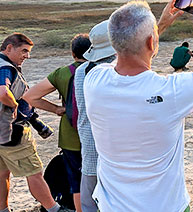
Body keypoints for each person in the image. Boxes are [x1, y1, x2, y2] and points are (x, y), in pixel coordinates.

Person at [84, 0, 193, 212]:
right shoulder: (172, 93)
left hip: (111, 206)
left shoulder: (95, 81)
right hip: (165, 206)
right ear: (151, 42)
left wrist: (159, 26)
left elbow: (130, 53)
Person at [0, 33, 73, 212]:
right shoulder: (5, 68)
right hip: (12, 132)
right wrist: (14, 104)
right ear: (9, 48)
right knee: (35, 173)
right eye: (24, 51)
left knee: (2, 174)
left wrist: (55, 109)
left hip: (1, 133)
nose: (27, 56)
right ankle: (54, 209)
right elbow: (3, 92)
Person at [23, 34, 92, 212]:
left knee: (77, 181)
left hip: (70, 135)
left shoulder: (62, 73)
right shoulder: (101, 70)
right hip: (97, 133)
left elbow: (31, 97)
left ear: (72, 53)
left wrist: (56, 109)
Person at [74, 20, 117, 212]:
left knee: (89, 203)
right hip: (116, 154)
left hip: (89, 148)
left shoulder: (81, 71)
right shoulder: (119, 71)